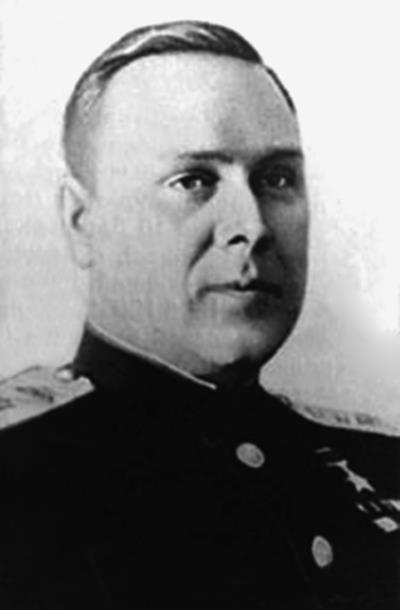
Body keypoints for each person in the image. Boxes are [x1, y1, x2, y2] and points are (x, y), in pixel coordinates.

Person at [0, 20, 399, 610]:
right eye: (193, 180)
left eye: (277, 178)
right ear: (83, 223)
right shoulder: (18, 475)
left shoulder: (382, 465)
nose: (253, 226)